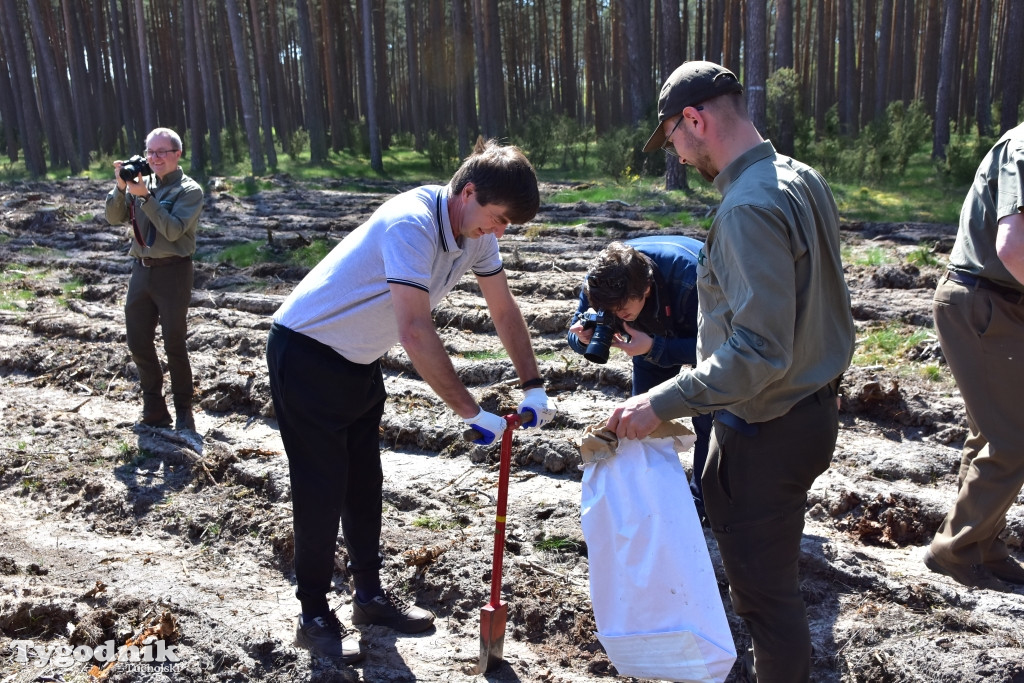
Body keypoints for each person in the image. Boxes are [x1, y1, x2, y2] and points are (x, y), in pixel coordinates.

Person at [606, 61, 855, 682]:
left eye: (674, 140)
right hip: (812, 410)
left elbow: (759, 351)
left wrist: (662, 401)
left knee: (768, 606)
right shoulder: (797, 176)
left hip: (769, 426)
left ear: (695, 119)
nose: (680, 157)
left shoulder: (746, 208)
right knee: (767, 585)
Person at [266, 140, 557, 664]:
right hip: (306, 351)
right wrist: (471, 411)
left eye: (506, 225)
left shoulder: (476, 233)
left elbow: (503, 307)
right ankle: (312, 613)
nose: (499, 232)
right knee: (321, 488)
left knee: (364, 484)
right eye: (496, 219)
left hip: (358, 357)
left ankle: (370, 598)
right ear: (467, 193)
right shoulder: (412, 225)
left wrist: (533, 383)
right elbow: (416, 331)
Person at [923, 123, 1024, 592]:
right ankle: (955, 550)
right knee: (1011, 441)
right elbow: (1013, 247)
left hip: (993, 301)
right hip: (984, 302)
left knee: (992, 433)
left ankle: (981, 544)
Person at [567, 236, 713, 520]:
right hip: (648, 341)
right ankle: (648, 498)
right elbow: (574, 331)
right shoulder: (600, 283)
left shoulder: (694, 277)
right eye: (607, 312)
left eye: (622, 313)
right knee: (639, 423)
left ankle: (704, 504)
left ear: (645, 289)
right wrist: (583, 340)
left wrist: (655, 347)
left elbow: (718, 347)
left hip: (697, 330)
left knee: (709, 419)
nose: (615, 317)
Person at [104, 128, 203, 431]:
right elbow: (112, 217)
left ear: (177, 154)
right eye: (150, 152)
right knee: (137, 342)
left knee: (174, 343)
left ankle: (184, 409)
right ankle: (154, 406)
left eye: (162, 151)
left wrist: (145, 198)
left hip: (173, 271)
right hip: (142, 270)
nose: (155, 158)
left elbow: (173, 231)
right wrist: (121, 188)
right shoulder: (141, 184)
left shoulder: (189, 190)